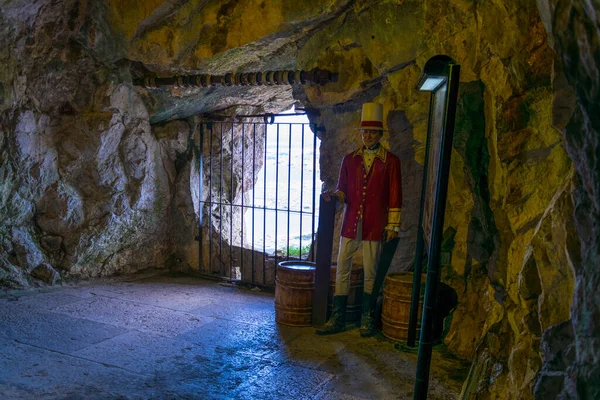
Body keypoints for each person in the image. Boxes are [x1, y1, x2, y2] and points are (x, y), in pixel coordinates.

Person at [316, 102, 402, 337]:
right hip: (351, 222)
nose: (368, 136)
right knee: (342, 266)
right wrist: (335, 196)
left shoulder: (391, 161)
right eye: (365, 132)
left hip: (375, 224)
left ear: (380, 135)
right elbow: (343, 191)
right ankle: (338, 318)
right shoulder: (349, 160)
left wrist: (393, 226)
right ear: (361, 133)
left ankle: (367, 317)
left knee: (371, 271)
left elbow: (395, 195)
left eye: (373, 132)